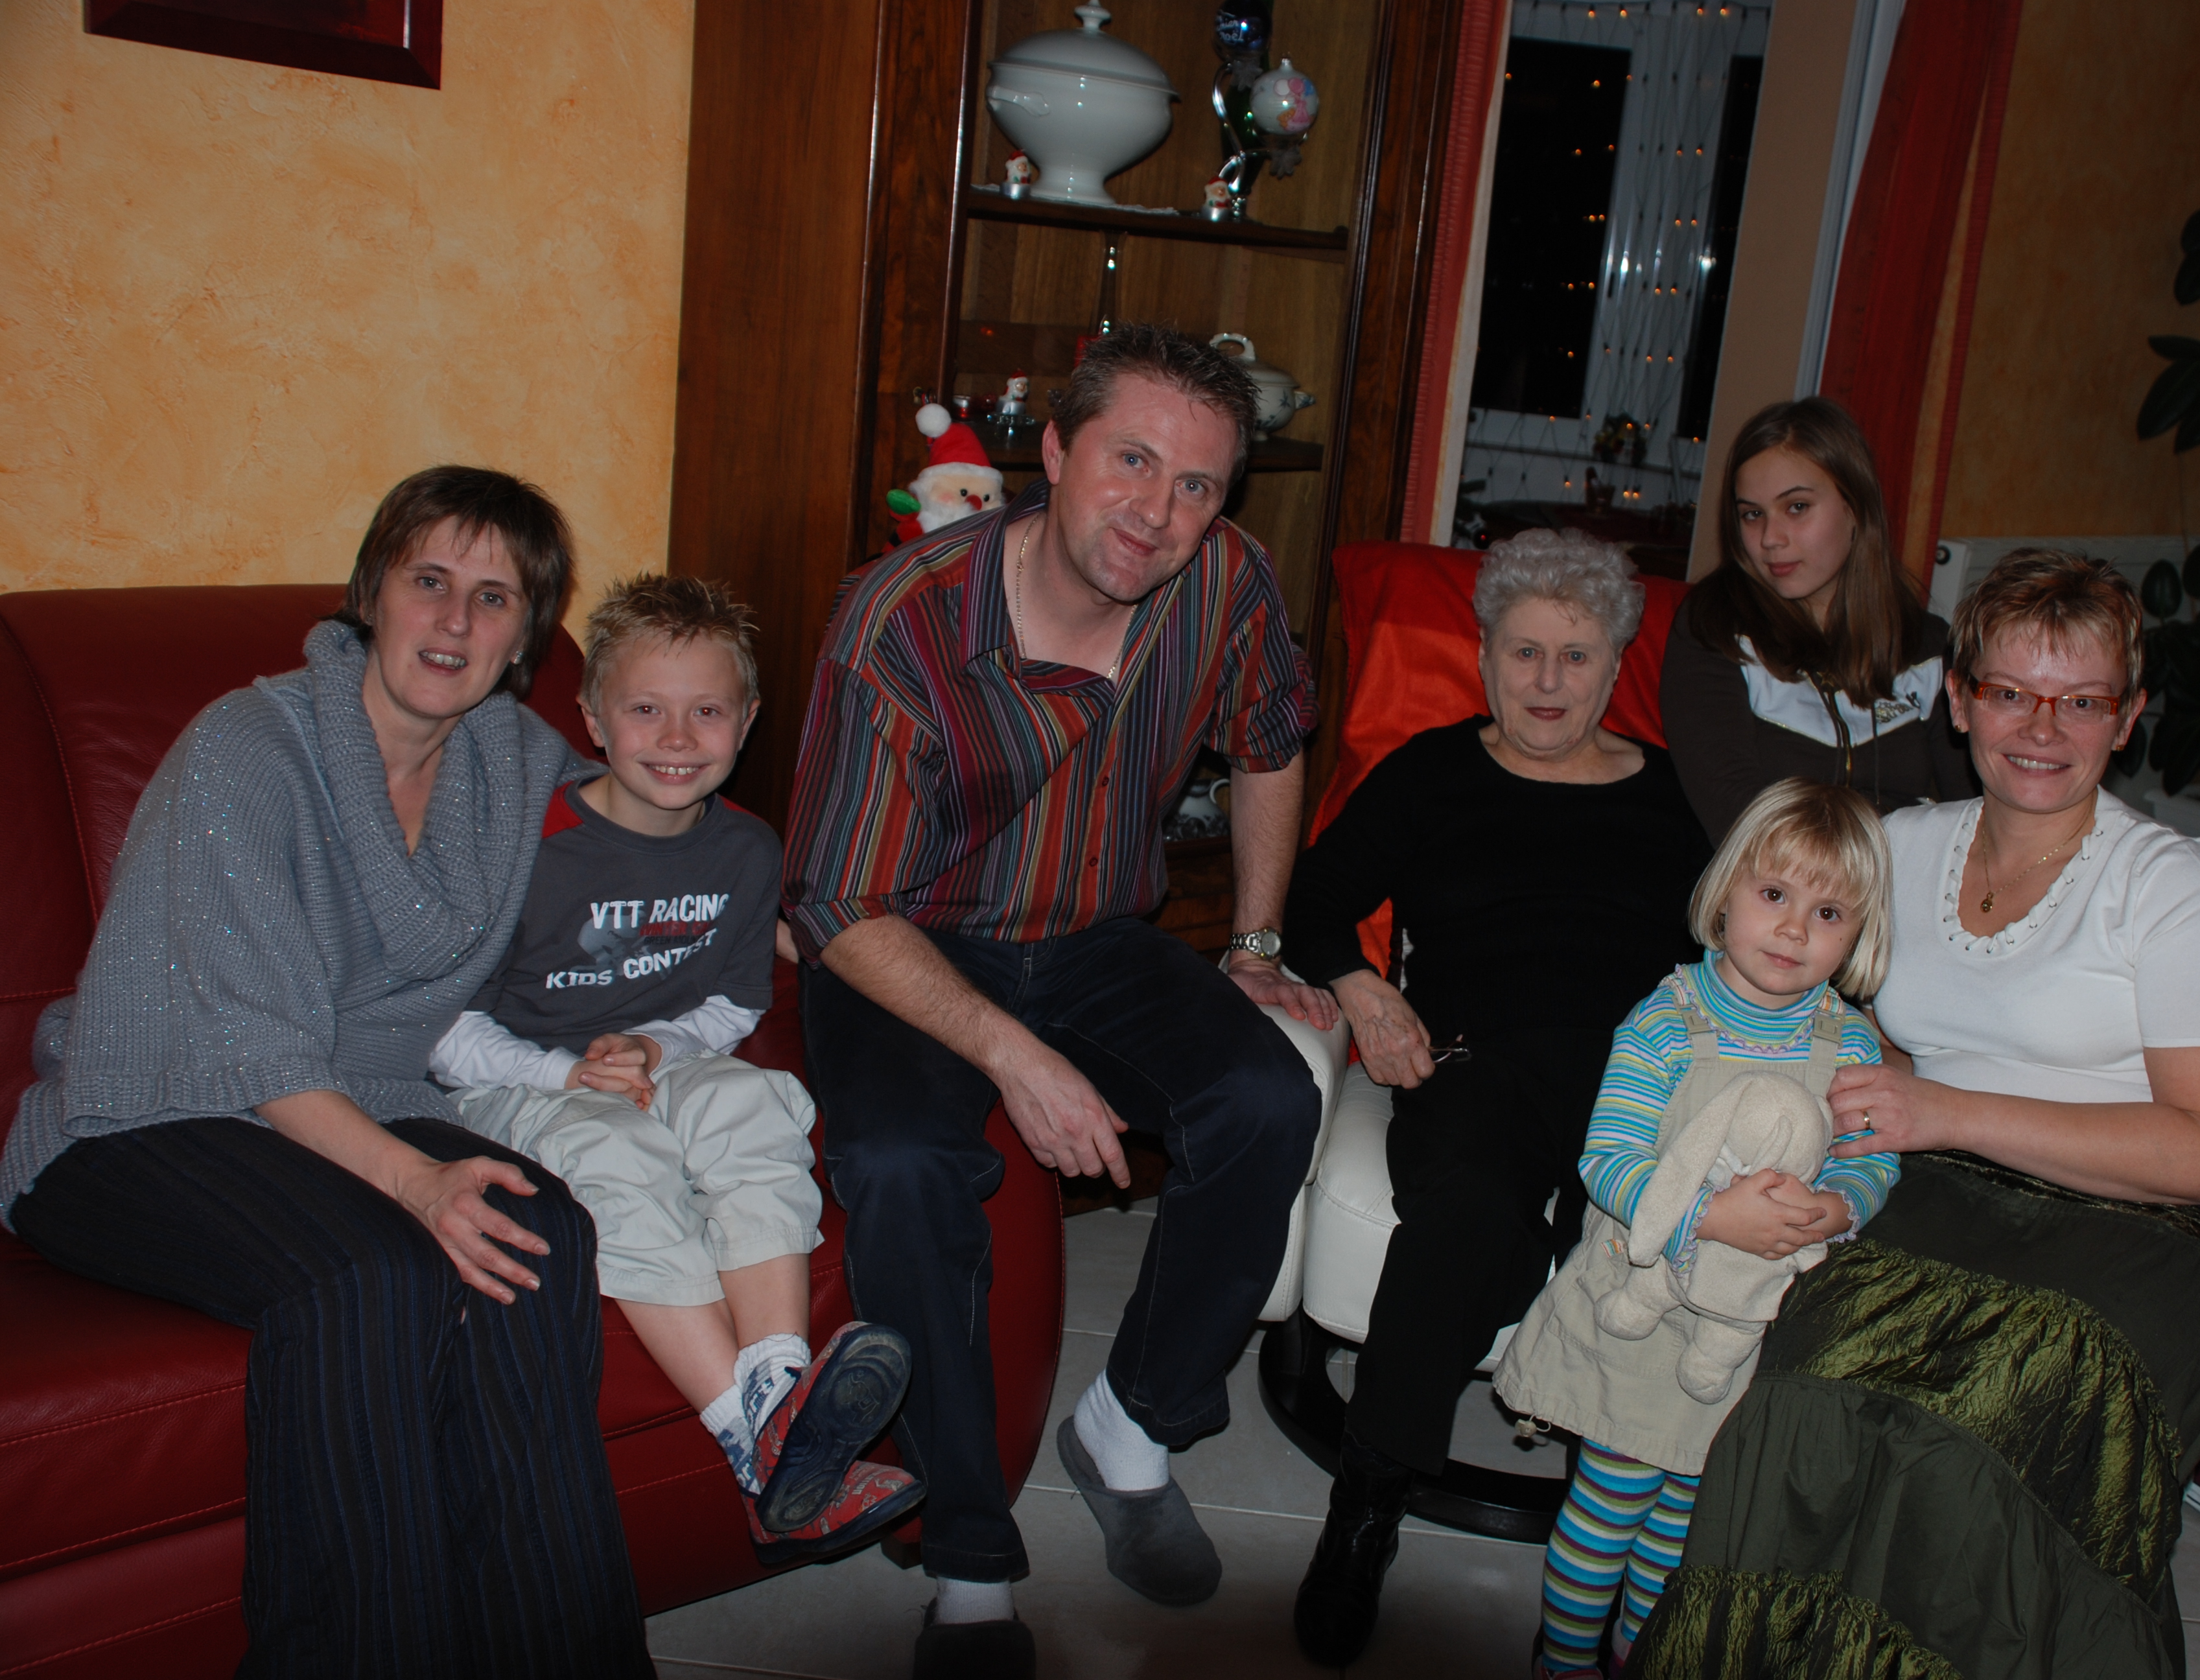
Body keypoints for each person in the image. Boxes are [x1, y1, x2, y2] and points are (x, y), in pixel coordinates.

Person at [0, 467, 657, 1676]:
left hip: (359, 1102)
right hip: (146, 1111)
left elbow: (646, 844)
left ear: (525, 640)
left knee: (541, 1232)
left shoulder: (513, 761)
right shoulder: (250, 747)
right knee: (368, 1275)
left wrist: (781, 920)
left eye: (494, 598)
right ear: (371, 594)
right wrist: (416, 1183)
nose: (453, 621)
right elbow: (253, 1049)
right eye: (428, 581)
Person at [782, 324, 1337, 1680]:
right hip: (909, 939)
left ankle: (1132, 1423)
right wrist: (1014, 1058)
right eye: (1130, 461)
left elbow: (1272, 739)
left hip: (1091, 932)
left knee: (1266, 1095)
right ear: (1052, 452)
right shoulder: (904, 616)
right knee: (904, 1162)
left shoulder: (1228, 582)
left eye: (1197, 483)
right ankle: (968, 1559)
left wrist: (1257, 938)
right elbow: (836, 902)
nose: (1157, 512)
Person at [1636, 550, 2200, 1678]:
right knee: (1810, 1388)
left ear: (2126, 718)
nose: (2043, 728)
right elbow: (1826, 1025)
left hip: (2142, 1224)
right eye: (2010, 691)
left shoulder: (2165, 885)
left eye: (2082, 701)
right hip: (1926, 1178)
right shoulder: (1897, 848)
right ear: (1958, 698)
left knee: (1990, 1415)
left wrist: (1948, 1108)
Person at [1276, 530, 1720, 1668]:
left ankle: (1627, 1523)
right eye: (1523, 652)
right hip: (1475, 1064)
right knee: (1469, 1206)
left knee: (1630, 1235)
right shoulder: (1433, 771)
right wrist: (1364, 988)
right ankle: (1365, 1509)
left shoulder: (1677, 797)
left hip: (1638, 1076)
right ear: (1483, 656)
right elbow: (1314, 897)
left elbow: (1738, 949)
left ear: (1615, 662)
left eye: (1576, 655)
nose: (1546, 681)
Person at [429, 574, 920, 1561]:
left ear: (748, 719)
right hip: (512, 1080)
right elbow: (438, 1030)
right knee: (618, 1155)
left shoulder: (746, 849)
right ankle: (760, 1446)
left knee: (755, 1102)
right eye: (645, 709)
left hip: (655, 1064)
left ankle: (779, 1394)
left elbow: (734, 1006)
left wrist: (658, 1046)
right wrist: (564, 1076)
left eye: (707, 711)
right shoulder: (526, 845)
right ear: (592, 719)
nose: (678, 738)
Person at [1497, 778, 1901, 1679]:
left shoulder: (1850, 1042)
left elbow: (1872, 1157)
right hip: (1641, 1314)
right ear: (1724, 895)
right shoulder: (1667, 1021)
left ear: (1860, 933)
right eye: (1774, 894)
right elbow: (1608, 1159)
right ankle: (1564, 1659)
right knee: (1609, 1506)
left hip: (1753, 1328)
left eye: (1827, 912)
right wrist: (1711, 1216)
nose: (1793, 930)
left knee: (1688, 1520)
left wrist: (1839, 1207)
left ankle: (1641, 1658)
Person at [1661, 396, 1974, 840]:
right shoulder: (1714, 628)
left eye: (1797, 507)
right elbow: (1738, 821)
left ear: (1855, 506)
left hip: (1904, 876)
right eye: (1753, 514)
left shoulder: (1926, 645)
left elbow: (1972, 815)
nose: (1770, 539)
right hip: (1771, 879)